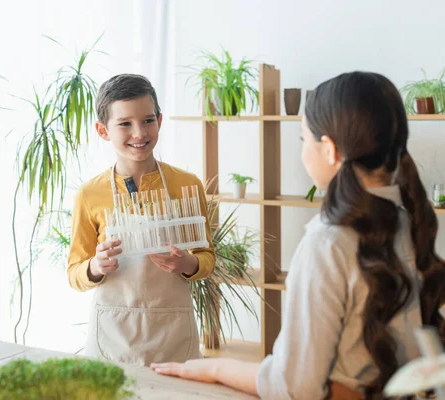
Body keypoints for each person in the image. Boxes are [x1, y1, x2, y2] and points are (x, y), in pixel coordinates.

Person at [151, 71, 445, 399]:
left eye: (304, 139)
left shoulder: (329, 242)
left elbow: (295, 388)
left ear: (330, 150)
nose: (303, 151)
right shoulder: (408, 222)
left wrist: (215, 367)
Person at [67, 74, 216, 367]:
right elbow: (74, 273)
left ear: (159, 120)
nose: (139, 133)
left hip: (172, 333)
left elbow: (207, 258)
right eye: (125, 123)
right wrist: (96, 266)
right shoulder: (89, 194)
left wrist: (187, 263)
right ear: (103, 130)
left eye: (148, 120)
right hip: (114, 336)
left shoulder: (186, 185)